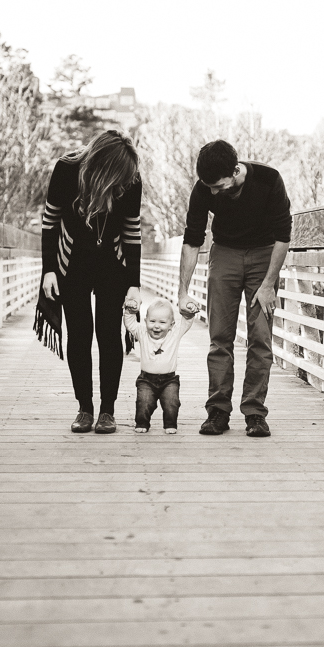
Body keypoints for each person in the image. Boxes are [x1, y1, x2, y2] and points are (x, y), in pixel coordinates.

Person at [177, 140, 291, 437]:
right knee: (220, 336)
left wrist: (268, 285)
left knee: (260, 337)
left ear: (235, 170)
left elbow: (283, 237)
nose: (213, 193)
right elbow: (192, 239)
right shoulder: (204, 189)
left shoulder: (268, 180)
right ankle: (218, 410)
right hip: (225, 253)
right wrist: (182, 291)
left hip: (264, 255)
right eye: (209, 187)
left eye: (219, 186)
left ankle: (254, 412)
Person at [41, 130, 143, 434]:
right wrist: (48, 270)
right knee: (80, 332)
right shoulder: (67, 169)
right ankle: (84, 408)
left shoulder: (131, 179)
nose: (122, 181)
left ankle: (107, 411)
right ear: (100, 164)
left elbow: (132, 232)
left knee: (109, 334)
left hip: (113, 260)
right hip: (71, 260)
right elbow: (50, 221)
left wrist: (134, 283)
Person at [123, 297, 198, 433]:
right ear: (145, 321)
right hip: (146, 379)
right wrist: (130, 310)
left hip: (169, 380)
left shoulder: (174, 333)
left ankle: (170, 424)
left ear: (171, 324)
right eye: (152, 321)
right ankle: (142, 423)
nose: (156, 326)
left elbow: (186, 323)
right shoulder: (142, 332)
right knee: (143, 402)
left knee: (172, 403)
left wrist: (190, 312)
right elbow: (130, 324)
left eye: (162, 322)